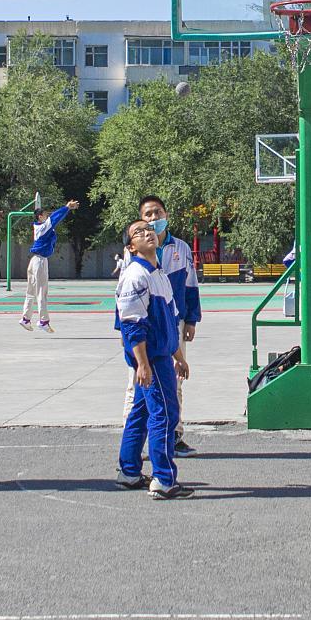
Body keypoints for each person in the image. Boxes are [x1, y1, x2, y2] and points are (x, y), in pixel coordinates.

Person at [114, 218, 193, 500]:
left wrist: (179, 356)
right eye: (139, 232)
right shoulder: (135, 276)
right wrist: (143, 363)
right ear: (131, 247)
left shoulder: (158, 274)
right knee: (165, 414)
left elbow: (169, 320)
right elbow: (132, 325)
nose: (148, 233)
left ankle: (129, 472)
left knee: (141, 412)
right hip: (153, 360)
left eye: (149, 230)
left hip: (161, 355)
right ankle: (163, 478)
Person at [140, 195, 199, 457]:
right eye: (148, 214)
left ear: (166, 215)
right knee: (139, 382)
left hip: (174, 323)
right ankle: (139, 442)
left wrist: (191, 319)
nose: (154, 218)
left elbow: (191, 285)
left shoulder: (181, 248)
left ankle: (174, 435)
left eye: (158, 212)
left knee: (175, 380)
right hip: (146, 325)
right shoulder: (136, 253)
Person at [21, 199, 77, 332]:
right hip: (40, 261)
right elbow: (55, 218)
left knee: (31, 291)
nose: (47, 216)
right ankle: (43, 321)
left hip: (34, 261)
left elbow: (52, 220)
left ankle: (25, 319)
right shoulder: (43, 227)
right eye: (45, 215)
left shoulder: (39, 227)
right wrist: (67, 207)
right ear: (40, 217)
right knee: (42, 292)